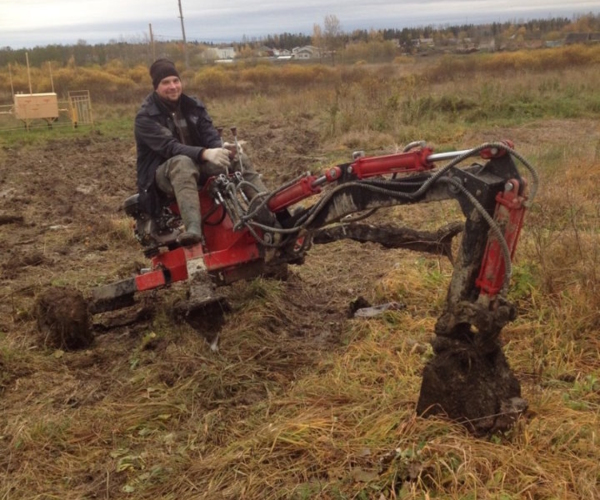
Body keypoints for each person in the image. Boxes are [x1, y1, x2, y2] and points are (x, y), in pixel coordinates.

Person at [134, 58, 268, 246]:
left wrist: (222, 148)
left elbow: (209, 135)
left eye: (175, 80)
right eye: (166, 82)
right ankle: (193, 230)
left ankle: (270, 213)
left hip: (196, 167)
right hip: (161, 179)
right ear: (156, 86)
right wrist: (206, 153)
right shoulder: (146, 117)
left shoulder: (193, 106)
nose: (173, 86)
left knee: (237, 158)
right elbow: (170, 148)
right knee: (182, 162)